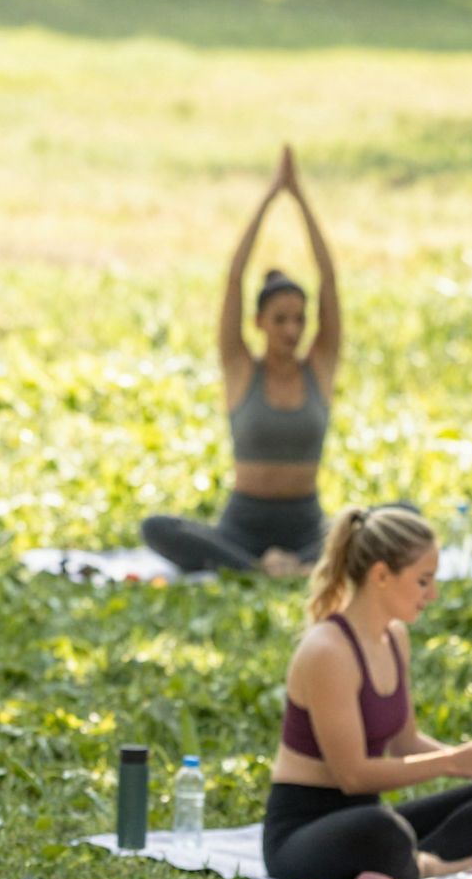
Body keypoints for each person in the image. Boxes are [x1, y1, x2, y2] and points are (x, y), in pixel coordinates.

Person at [262, 506, 472, 879]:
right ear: (381, 575)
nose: (433, 594)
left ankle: (417, 860)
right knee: (382, 827)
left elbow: (404, 741)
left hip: (368, 822)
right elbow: (354, 776)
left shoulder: (394, 636)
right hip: (302, 835)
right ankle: (432, 865)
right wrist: (454, 762)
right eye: (423, 581)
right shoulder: (328, 651)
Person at [142, 145, 339, 576]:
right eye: (281, 319)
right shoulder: (240, 368)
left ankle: (290, 564)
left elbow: (328, 279)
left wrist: (300, 199)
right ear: (259, 322)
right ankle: (263, 567)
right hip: (242, 525)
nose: (292, 330)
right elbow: (235, 276)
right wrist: (270, 197)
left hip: (308, 524)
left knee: (395, 517)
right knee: (155, 527)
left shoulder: (318, 368)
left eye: (300, 320)